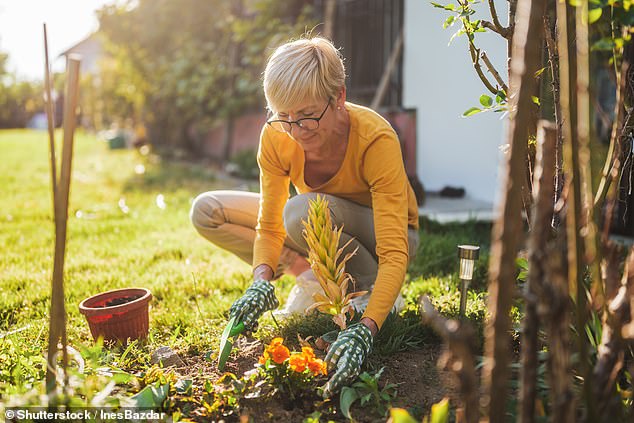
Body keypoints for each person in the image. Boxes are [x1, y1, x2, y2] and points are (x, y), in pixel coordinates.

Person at [190, 36, 419, 396]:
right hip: (318, 224)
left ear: (339, 97)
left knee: (300, 210)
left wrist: (367, 329)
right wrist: (261, 280)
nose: (295, 131)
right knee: (207, 210)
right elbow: (269, 223)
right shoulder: (277, 134)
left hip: (383, 239)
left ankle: (366, 292)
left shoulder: (376, 139)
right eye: (284, 116)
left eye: (307, 115)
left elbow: (395, 251)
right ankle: (310, 275)